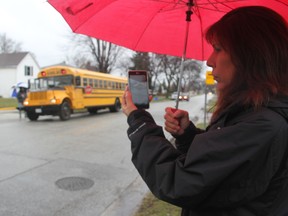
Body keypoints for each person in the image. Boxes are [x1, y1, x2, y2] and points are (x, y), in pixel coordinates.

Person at [122, 6, 288, 216]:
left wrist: (138, 121)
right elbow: (222, 167)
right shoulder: (257, 114)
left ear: (251, 55)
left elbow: (178, 182)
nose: (209, 61)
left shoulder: (263, 126)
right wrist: (188, 135)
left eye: (218, 48)